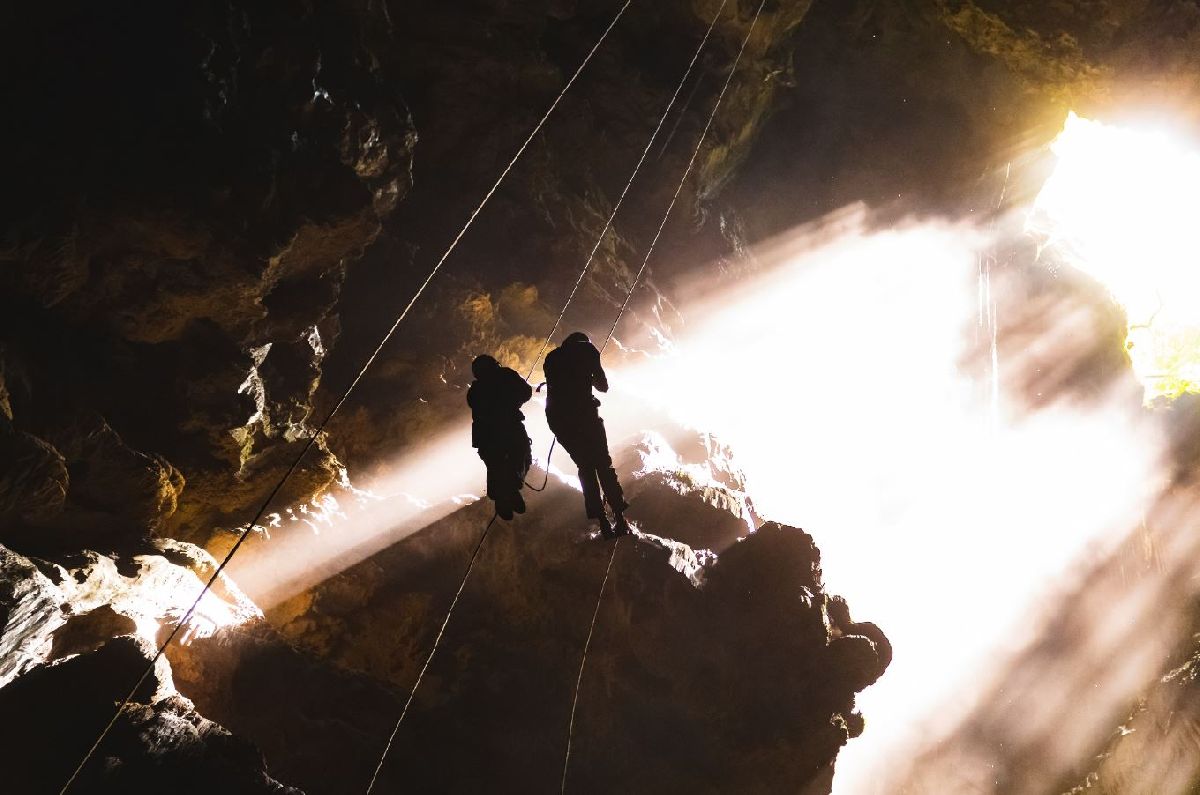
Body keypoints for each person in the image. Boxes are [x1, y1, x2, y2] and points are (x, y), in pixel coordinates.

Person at [543, 331, 630, 537]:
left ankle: (603, 523)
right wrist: (589, 377)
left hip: (559, 421)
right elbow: (603, 387)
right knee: (603, 464)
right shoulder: (587, 350)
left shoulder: (551, 357)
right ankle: (619, 518)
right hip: (585, 418)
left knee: (586, 468)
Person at [466, 354, 533, 520]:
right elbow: (526, 392)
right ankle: (511, 489)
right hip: (509, 428)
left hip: (485, 435)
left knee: (495, 465)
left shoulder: (474, 390)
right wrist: (512, 402)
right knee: (522, 457)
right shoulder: (506, 375)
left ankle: (502, 495)